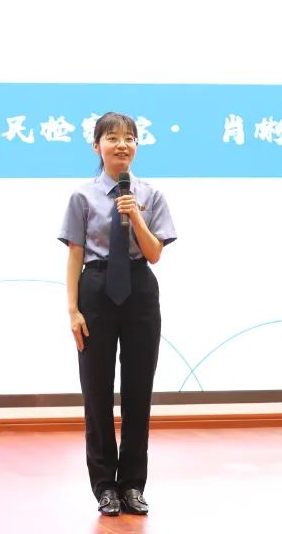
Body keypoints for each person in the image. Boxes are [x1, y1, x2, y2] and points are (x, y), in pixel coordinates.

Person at [57, 112, 177, 516]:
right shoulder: (82, 196)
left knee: (139, 392)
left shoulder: (151, 194)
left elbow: (155, 253)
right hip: (95, 289)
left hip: (140, 289)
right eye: (112, 138)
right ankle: (105, 486)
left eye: (129, 138)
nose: (122, 145)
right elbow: (75, 254)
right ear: (97, 146)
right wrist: (72, 309)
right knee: (96, 392)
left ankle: (132, 485)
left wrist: (135, 214)